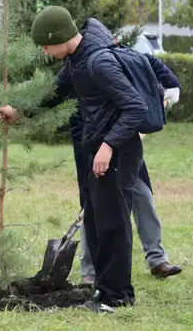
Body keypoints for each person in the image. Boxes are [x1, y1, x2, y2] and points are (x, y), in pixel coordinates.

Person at [0, 6, 147, 312]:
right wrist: (20, 111)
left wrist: (108, 147)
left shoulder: (99, 62)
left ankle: (117, 297)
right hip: (98, 148)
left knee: (113, 223)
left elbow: (135, 108)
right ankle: (102, 291)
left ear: (60, 37)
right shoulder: (76, 61)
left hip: (116, 151)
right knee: (95, 219)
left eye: (46, 44)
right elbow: (55, 93)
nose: (44, 51)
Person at [76, 55, 183, 284]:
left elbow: (172, 88)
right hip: (97, 143)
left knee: (142, 196)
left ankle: (157, 260)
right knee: (91, 206)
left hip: (128, 145)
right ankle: (90, 270)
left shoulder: (141, 60)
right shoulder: (88, 67)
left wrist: (157, 108)